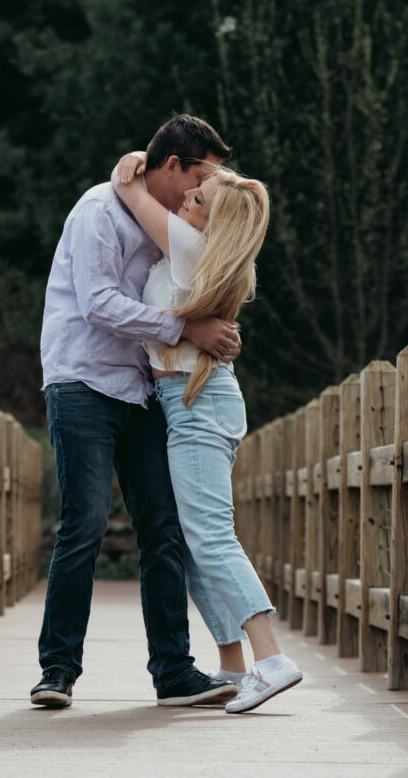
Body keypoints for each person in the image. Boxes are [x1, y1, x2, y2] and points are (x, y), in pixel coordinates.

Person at [31, 114, 244, 710]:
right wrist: (187, 328)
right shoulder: (101, 209)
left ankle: (174, 672)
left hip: (143, 390)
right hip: (83, 381)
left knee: (164, 527)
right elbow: (99, 303)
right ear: (172, 166)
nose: (203, 194)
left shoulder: (166, 214)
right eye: (200, 179)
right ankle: (58, 670)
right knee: (85, 524)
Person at [110, 149, 303, 714]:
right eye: (192, 192)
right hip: (189, 400)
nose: (186, 198)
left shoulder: (192, 246)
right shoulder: (201, 250)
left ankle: (271, 660)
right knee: (195, 544)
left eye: (199, 198)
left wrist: (130, 169)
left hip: (197, 403)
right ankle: (235, 667)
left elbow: (131, 194)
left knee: (213, 537)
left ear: (214, 223)